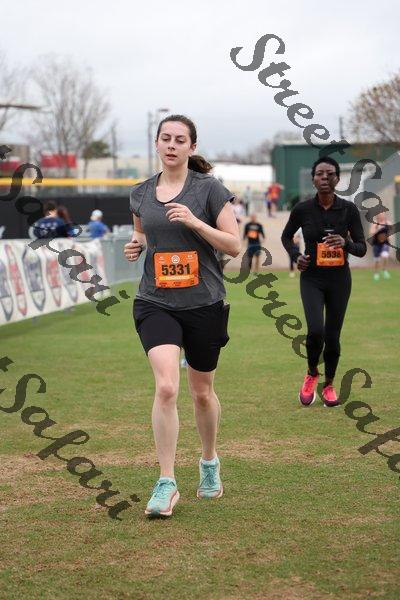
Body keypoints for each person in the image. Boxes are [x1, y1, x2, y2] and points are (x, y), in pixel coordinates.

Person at [124, 114, 240, 518]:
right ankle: (166, 481)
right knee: (166, 387)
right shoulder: (140, 193)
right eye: (165, 138)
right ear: (156, 144)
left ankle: (209, 461)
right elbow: (142, 233)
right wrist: (136, 245)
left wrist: (193, 221)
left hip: (204, 304)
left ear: (192, 147)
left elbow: (234, 245)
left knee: (201, 393)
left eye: (179, 139)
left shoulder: (209, 189)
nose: (171, 145)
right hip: (155, 301)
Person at [281, 157, 366, 408]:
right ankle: (311, 373)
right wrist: (296, 256)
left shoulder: (349, 210)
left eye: (330, 174)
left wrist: (346, 243)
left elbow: (361, 248)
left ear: (338, 178)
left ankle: (329, 384)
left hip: (339, 279)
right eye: (320, 174)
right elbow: (286, 237)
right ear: (313, 179)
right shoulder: (302, 209)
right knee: (315, 331)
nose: (325, 178)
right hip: (312, 278)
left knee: (333, 335)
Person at [370, 212, 392, 281]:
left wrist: (389, 237)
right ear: (378, 216)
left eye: (383, 215)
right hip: (376, 244)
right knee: (377, 260)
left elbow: (390, 233)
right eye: (380, 215)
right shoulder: (375, 224)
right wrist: (378, 229)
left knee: (385, 255)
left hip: (385, 243)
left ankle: (384, 270)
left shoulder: (388, 223)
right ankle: (376, 273)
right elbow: (371, 232)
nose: (382, 216)